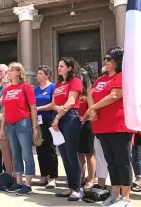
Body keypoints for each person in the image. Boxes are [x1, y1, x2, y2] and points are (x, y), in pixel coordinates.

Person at [87, 47, 134, 207]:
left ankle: (126, 198)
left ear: (117, 60)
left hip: (118, 126)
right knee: (111, 162)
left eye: (109, 58)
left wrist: (93, 108)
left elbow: (114, 96)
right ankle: (115, 195)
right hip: (102, 127)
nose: (105, 61)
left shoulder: (122, 76)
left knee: (122, 162)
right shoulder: (101, 79)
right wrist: (92, 108)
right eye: (105, 58)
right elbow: (90, 93)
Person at [0, 62, 39, 196]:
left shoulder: (26, 87)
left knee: (27, 154)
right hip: (10, 125)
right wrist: (2, 128)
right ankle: (18, 182)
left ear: (18, 72)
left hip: (23, 123)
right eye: (8, 70)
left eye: (11, 70)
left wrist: (34, 127)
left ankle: (27, 184)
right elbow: (5, 110)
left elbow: (33, 107)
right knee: (15, 154)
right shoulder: (7, 89)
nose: (8, 72)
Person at [51, 57, 83, 201]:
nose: (59, 68)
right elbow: (53, 102)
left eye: (62, 66)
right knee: (63, 153)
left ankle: (77, 188)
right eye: (58, 66)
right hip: (59, 116)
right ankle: (70, 186)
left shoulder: (75, 81)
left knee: (71, 153)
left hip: (70, 117)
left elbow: (71, 101)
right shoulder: (58, 84)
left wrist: (58, 116)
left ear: (69, 68)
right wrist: (56, 110)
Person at [34, 65, 58, 189]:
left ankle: (53, 177)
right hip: (38, 122)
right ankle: (43, 175)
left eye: (40, 73)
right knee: (40, 148)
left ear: (47, 75)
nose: (38, 75)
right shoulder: (36, 90)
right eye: (37, 73)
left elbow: (53, 104)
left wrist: (38, 108)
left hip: (49, 120)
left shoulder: (53, 87)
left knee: (50, 148)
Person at [79, 66, 97, 189]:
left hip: (87, 125)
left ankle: (91, 179)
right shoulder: (76, 92)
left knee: (89, 154)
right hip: (77, 124)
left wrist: (83, 118)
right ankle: (81, 177)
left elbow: (92, 109)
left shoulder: (90, 92)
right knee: (79, 153)